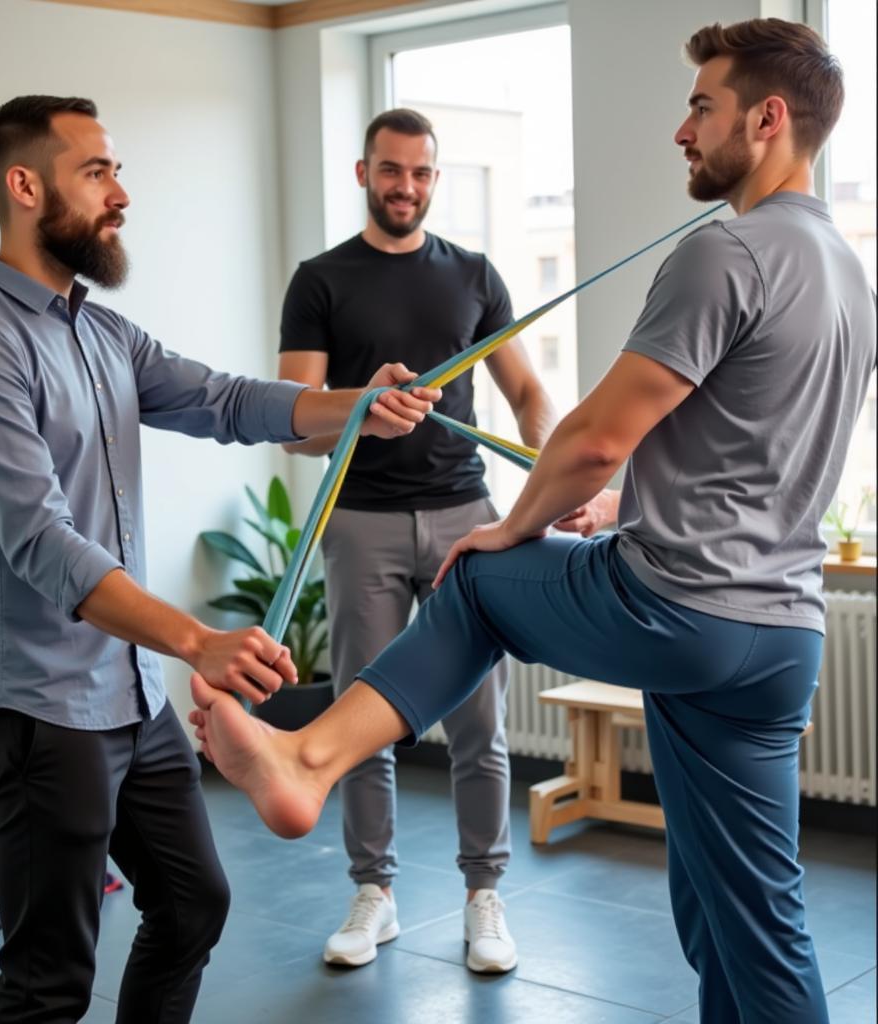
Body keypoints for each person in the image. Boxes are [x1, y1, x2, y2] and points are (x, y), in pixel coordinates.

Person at [191, 18, 876, 1024]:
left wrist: (515, 525)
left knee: (477, 579)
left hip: (682, 608)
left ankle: (307, 758)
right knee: (736, 910)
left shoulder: (721, 253)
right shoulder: (849, 274)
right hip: (779, 637)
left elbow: (596, 432)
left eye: (700, 106)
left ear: (767, 119)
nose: (680, 132)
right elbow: (750, 443)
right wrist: (618, 505)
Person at [0, 95, 440, 1024]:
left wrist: (360, 401)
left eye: (117, 170)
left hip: (124, 693)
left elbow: (228, 402)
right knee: (49, 979)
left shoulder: (102, 332)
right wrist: (198, 641)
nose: (121, 193)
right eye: (98, 171)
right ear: (26, 186)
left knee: (194, 904)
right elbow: (42, 542)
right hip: (37, 705)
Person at [277, 108, 555, 972]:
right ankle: (375, 892)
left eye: (422, 173)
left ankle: (484, 896)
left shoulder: (474, 275)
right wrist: (364, 409)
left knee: (481, 719)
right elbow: (297, 426)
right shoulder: (319, 280)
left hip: (465, 518)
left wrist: (553, 487)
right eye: (391, 171)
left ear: (435, 178)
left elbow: (528, 396)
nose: (406, 187)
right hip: (359, 520)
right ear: (363, 173)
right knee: (363, 714)